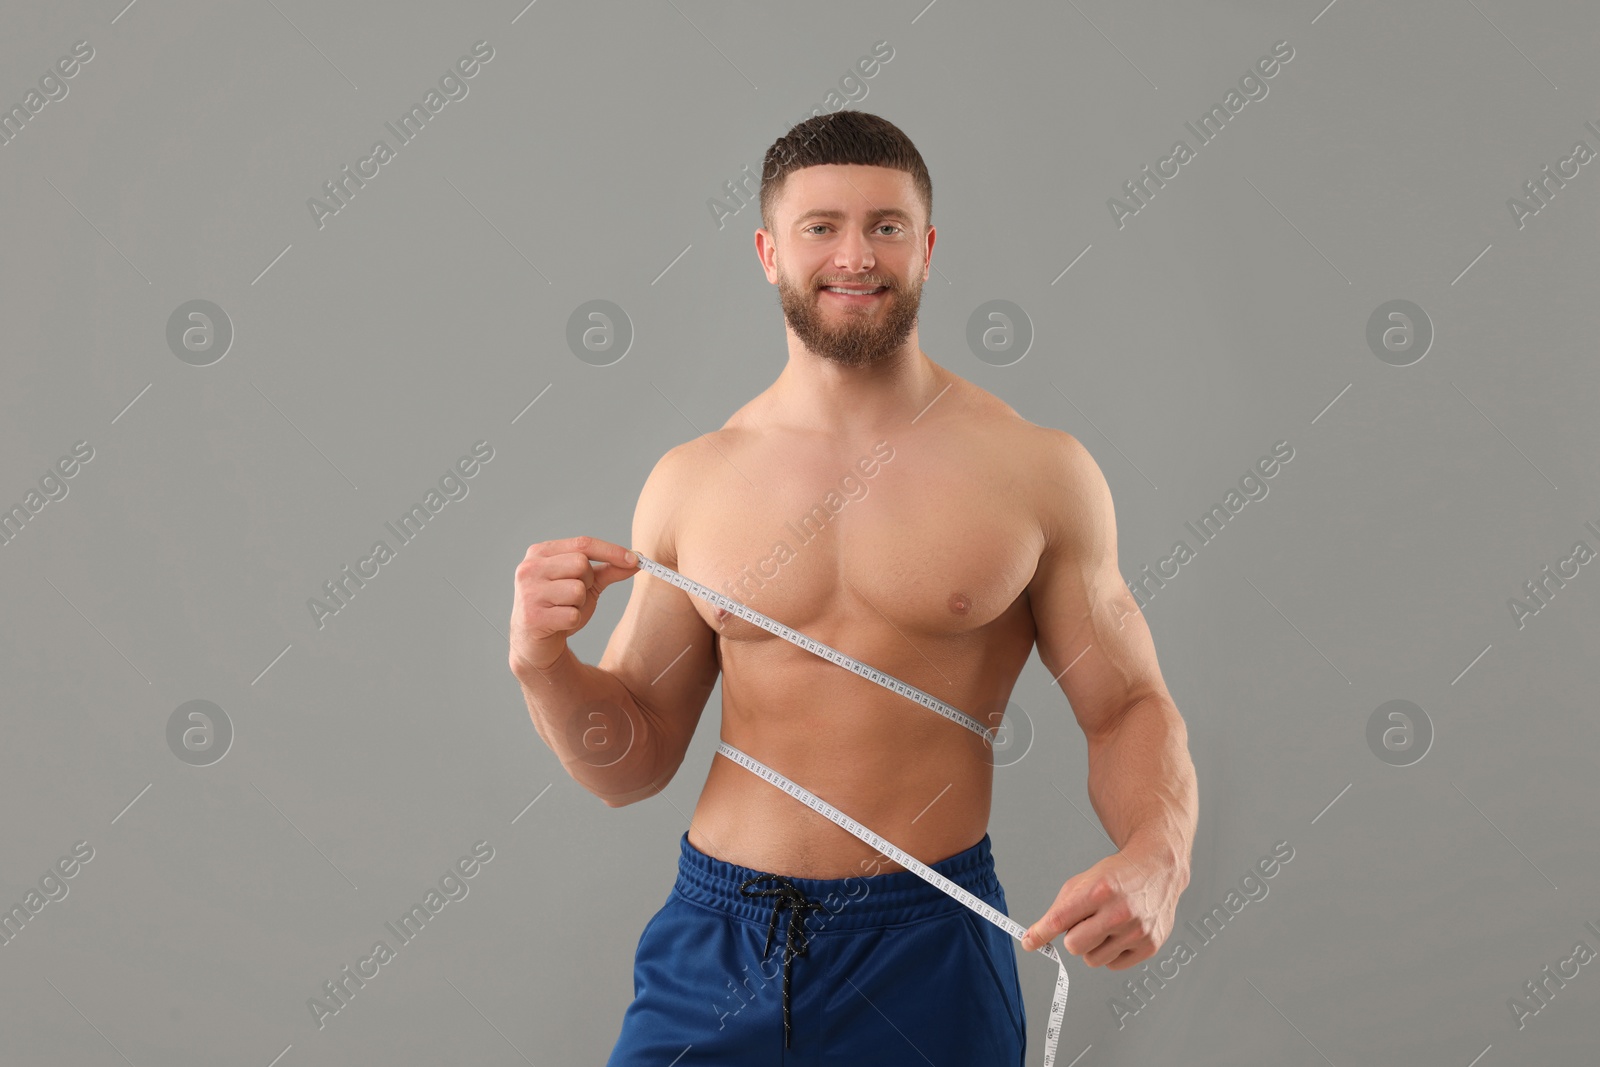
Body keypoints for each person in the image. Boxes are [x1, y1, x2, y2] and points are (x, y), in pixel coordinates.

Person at [509, 110, 1198, 1065]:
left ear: (926, 245)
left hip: (926, 939)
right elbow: (634, 763)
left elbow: (1126, 706)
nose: (855, 255)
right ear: (767, 251)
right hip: (718, 938)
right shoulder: (694, 479)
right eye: (820, 226)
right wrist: (544, 664)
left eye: (885, 225)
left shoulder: (1035, 471)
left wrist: (1159, 856)